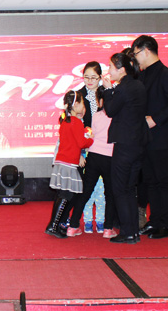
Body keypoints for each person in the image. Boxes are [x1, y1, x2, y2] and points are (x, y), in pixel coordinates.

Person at [131, 35, 168, 240]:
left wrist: (155, 119)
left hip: (162, 138)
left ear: (146, 51)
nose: (136, 59)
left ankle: (165, 225)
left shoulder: (166, 74)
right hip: (145, 139)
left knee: (163, 182)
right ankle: (154, 221)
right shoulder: (142, 76)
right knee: (150, 182)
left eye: (136, 54)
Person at [103, 52, 148, 244]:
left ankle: (128, 232)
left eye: (111, 67)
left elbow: (110, 110)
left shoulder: (123, 87)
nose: (109, 70)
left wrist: (108, 90)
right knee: (129, 188)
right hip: (138, 144)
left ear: (121, 69)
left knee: (120, 188)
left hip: (125, 144)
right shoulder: (138, 85)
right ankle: (132, 232)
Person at [45, 90, 93, 238]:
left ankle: (55, 225)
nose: (83, 106)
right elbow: (82, 143)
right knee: (66, 194)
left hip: (62, 161)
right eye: (82, 103)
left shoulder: (65, 121)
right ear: (76, 104)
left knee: (64, 194)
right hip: (69, 163)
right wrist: (90, 138)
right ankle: (53, 226)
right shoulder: (76, 122)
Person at [71, 90, 119, 239]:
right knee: (110, 194)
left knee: (85, 192)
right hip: (110, 157)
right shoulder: (117, 115)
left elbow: (91, 134)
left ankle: (73, 226)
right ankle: (107, 229)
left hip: (93, 156)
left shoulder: (96, 116)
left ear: (98, 102)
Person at [75, 61, 106, 234]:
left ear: (100, 77)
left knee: (102, 189)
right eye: (86, 77)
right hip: (85, 148)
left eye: (94, 77)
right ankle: (86, 221)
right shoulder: (78, 96)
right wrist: (80, 151)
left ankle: (102, 220)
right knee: (86, 187)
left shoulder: (106, 94)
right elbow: (75, 126)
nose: (90, 81)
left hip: (104, 147)